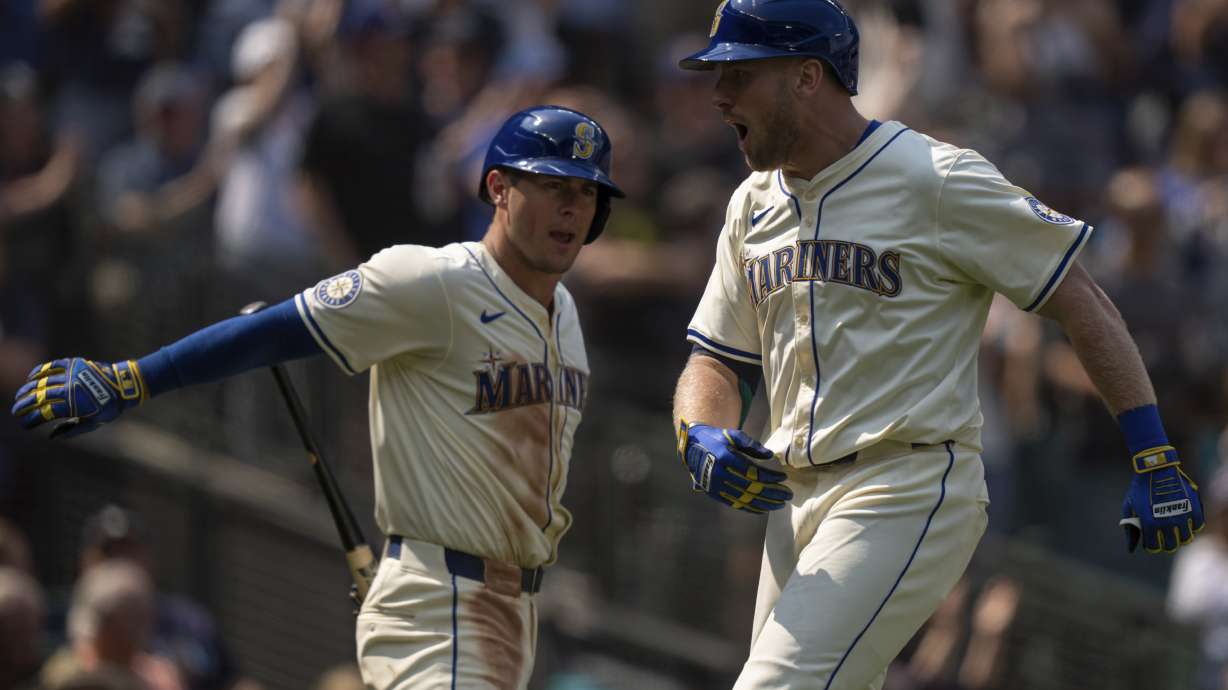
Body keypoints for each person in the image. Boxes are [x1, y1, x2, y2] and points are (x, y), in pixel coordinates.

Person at [668, 2, 1204, 689]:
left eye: (738, 75)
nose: (718, 96)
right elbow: (716, 356)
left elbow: (1083, 304)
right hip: (789, 496)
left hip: (904, 483)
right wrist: (700, 432)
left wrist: (1153, 450)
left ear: (806, 77)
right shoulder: (751, 203)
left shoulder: (934, 176)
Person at [11, 104, 623, 690]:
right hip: (442, 601)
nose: (573, 208)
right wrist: (132, 379)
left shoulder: (564, 313)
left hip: (513, 613)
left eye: (587, 194)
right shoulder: (433, 281)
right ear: (498, 187)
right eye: (554, 187)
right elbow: (272, 330)